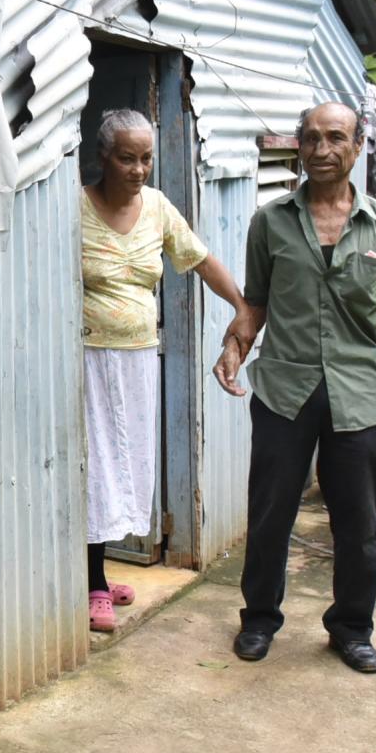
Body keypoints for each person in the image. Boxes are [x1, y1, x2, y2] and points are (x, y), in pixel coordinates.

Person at [213, 102, 376, 673]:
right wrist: (234, 346)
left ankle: (352, 628)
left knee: (359, 523)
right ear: (299, 146)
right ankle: (259, 619)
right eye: (310, 138)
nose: (321, 149)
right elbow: (255, 301)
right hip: (285, 390)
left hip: (358, 392)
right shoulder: (271, 221)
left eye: (335, 137)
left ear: (358, 146)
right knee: (270, 515)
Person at [83, 109, 246, 634]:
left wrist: (243, 309)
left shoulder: (156, 207)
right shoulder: (74, 208)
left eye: (146, 158)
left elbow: (199, 259)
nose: (138, 169)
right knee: (96, 468)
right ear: (104, 157)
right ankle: (90, 584)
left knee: (129, 464)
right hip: (85, 357)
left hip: (137, 356)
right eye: (126, 158)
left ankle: (101, 576)